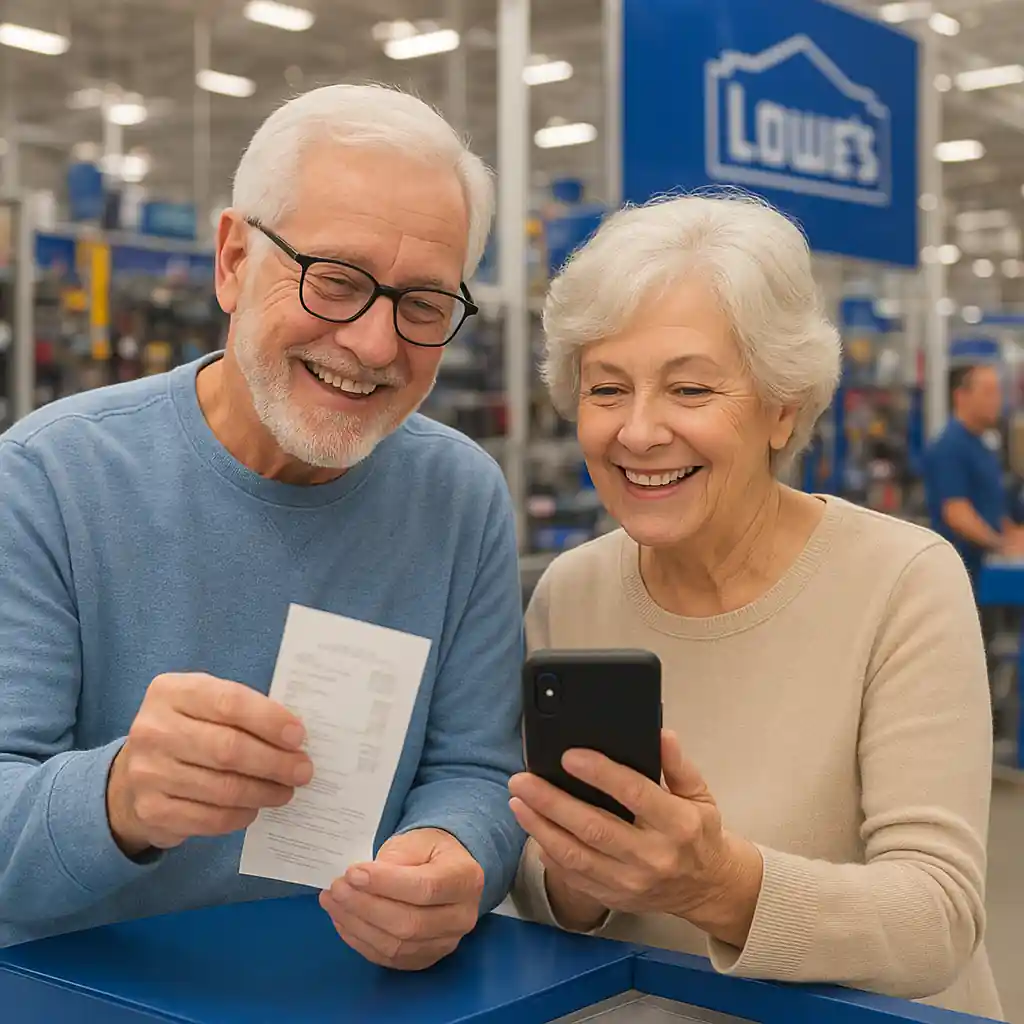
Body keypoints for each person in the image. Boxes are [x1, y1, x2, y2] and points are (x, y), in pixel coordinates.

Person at [0, 84, 526, 969]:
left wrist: (455, 854)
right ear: (234, 260)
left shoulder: (459, 497)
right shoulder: (47, 480)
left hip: (356, 990)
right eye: (336, 281)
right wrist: (118, 798)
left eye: (424, 306)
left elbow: (475, 772)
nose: (375, 345)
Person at [508, 192, 1003, 1019]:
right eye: (607, 388)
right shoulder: (572, 591)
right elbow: (541, 882)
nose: (638, 431)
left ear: (782, 407)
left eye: (689, 388)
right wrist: (579, 870)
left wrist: (718, 885)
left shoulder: (902, 581)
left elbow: (937, 920)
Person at [924, 363, 1024, 590]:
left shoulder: (984, 446)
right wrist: (1001, 545)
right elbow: (957, 513)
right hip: (962, 576)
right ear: (961, 397)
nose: (996, 401)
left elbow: (991, 507)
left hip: (988, 573)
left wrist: (1012, 534)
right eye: (988, 392)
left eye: (998, 392)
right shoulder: (950, 447)